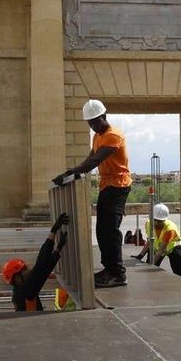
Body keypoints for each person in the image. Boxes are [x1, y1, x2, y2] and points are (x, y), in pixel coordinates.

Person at [53, 99, 132, 288]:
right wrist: (73, 172)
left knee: (110, 230)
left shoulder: (113, 135)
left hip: (119, 186)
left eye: (95, 122)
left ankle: (118, 274)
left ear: (104, 116)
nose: (93, 126)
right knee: (102, 230)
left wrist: (71, 172)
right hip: (107, 186)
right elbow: (90, 157)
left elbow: (95, 161)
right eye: (90, 123)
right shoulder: (98, 136)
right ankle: (109, 268)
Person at [1, 213, 70, 311]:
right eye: (24, 269)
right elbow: (40, 265)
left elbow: (43, 272)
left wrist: (58, 249)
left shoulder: (22, 290)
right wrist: (54, 230)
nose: (28, 269)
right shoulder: (24, 291)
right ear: (17, 278)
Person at [132, 203, 181, 279]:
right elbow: (149, 241)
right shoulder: (148, 224)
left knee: (180, 269)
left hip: (173, 248)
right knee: (149, 268)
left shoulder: (170, 229)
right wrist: (140, 256)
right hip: (157, 248)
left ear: (164, 220)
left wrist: (152, 265)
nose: (156, 223)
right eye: (154, 220)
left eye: (159, 221)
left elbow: (161, 250)